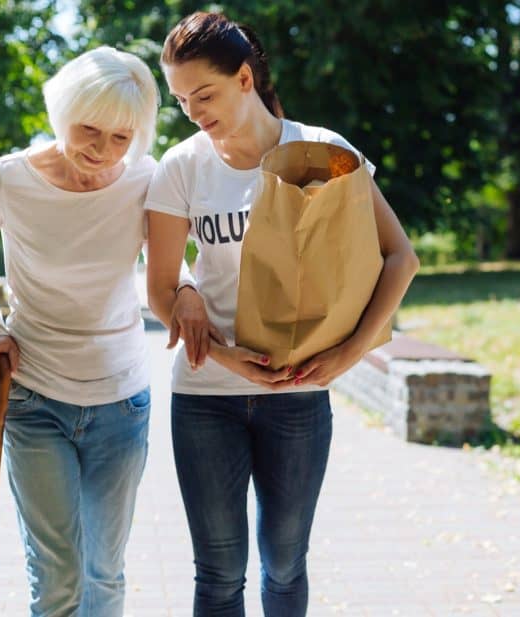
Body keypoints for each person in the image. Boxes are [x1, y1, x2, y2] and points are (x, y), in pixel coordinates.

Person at [145, 12, 421, 616]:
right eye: (182, 99)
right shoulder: (181, 167)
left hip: (298, 397)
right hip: (204, 398)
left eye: (206, 94)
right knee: (217, 574)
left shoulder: (324, 153)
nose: (194, 111)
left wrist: (346, 359)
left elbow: (401, 258)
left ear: (245, 78)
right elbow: (162, 290)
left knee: (286, 563)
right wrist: (224, 358)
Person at [0, 46, 207, 617]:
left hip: (122, 402)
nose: (103, 151)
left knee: (104, 573)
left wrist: (184, 288)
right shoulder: (8, 180)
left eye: (122, 137)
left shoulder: (145, 177)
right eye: (90, 129)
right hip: (35, 400)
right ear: (62, 111)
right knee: (59, 578)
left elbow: (164, 257)